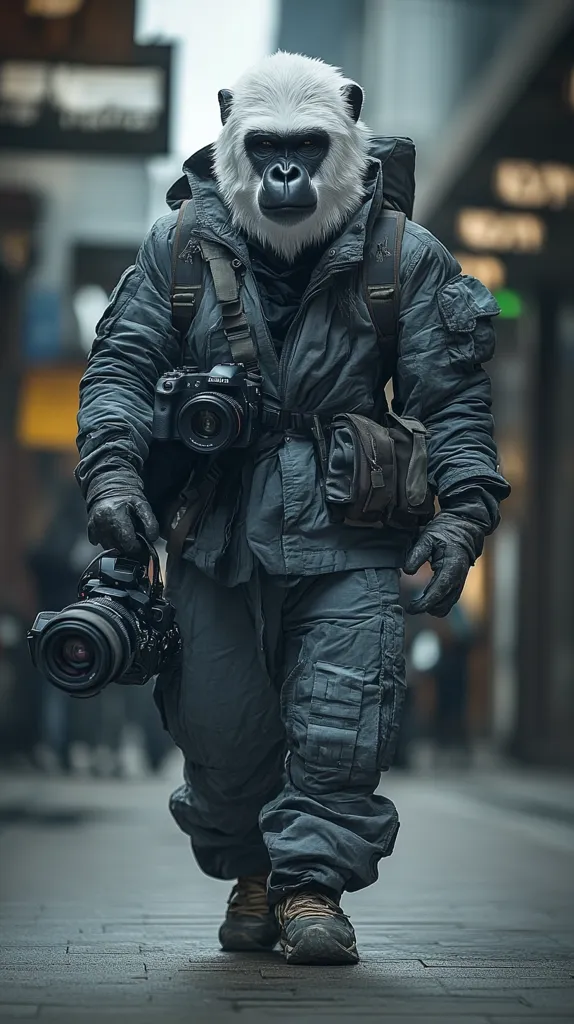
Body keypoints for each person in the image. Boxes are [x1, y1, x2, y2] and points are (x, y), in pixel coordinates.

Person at [75, 53, 509, 965]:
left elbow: (454, 401)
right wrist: (114, 479)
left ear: (344, 136)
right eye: (265, 148)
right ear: (235, 138)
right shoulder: (184, 246)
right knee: (221, 728)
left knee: (340, 718)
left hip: (353, 528)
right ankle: (255, 872)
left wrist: (462, 518)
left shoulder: (401, 256)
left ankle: (311, 889)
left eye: (305, 149)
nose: (284, 171)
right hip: (216, 524)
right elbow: (118, 370)